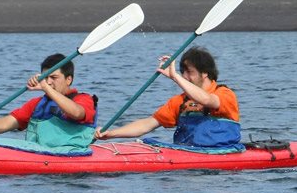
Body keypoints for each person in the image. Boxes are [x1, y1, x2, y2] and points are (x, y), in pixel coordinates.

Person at [95, 46, 241, 148]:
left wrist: (175, 77)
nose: (185, 76)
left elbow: (207, 100)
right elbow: (148, 124)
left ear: (205, 73)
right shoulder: (181, 101)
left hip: (222, 153)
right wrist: (111, 134)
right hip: (188, 154)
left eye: (189, 72)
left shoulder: (224, 94)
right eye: (182, 72)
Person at [0, 53, 97, 154]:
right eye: (45, 77)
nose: (48, 82)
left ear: (68, 79)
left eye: (53, 78)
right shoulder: (37, 104)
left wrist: (46, 88)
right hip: (37, 154)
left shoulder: (83, 99)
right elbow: (7, 123)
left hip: (71, 154)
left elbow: (77, 113)